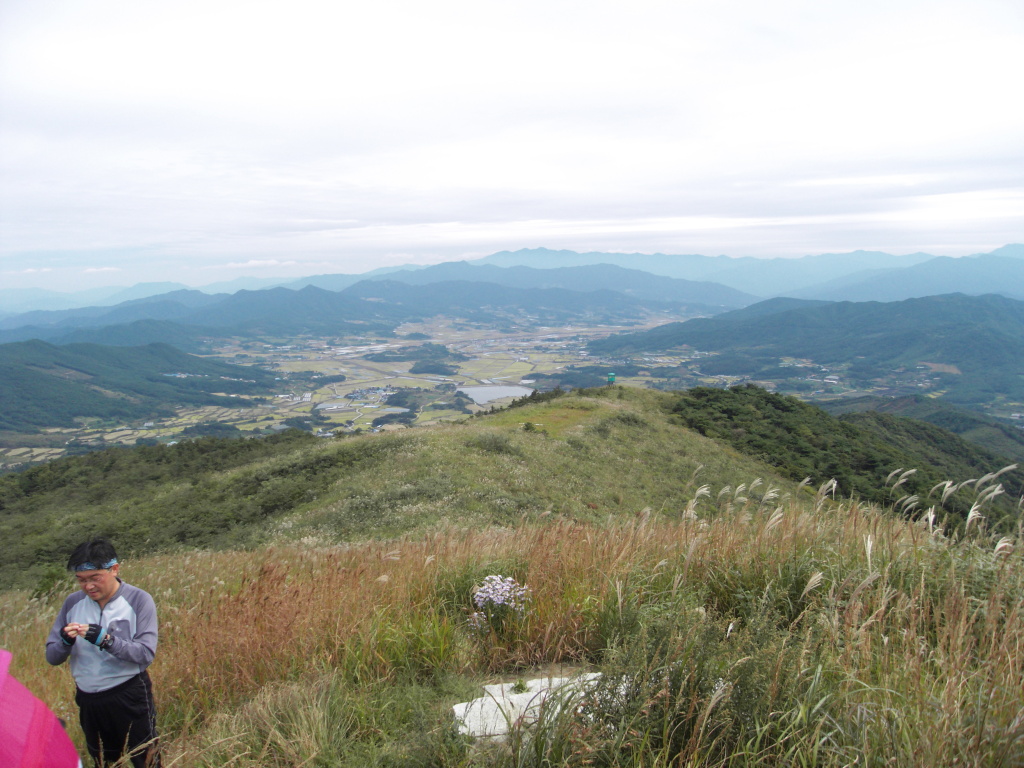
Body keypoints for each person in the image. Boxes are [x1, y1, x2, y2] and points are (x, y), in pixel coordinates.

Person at [45, 539, 159, 767]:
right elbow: (52, 656)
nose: (88, 587)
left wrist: (105, 640)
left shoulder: (138, 600)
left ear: (114, 569)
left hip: (130, 693)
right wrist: (66, 642)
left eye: (95, 578)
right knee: (105, 762)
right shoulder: (73, 603)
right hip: (89, 699)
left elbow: (145, 653)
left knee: (145, 760)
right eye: (81, 580)